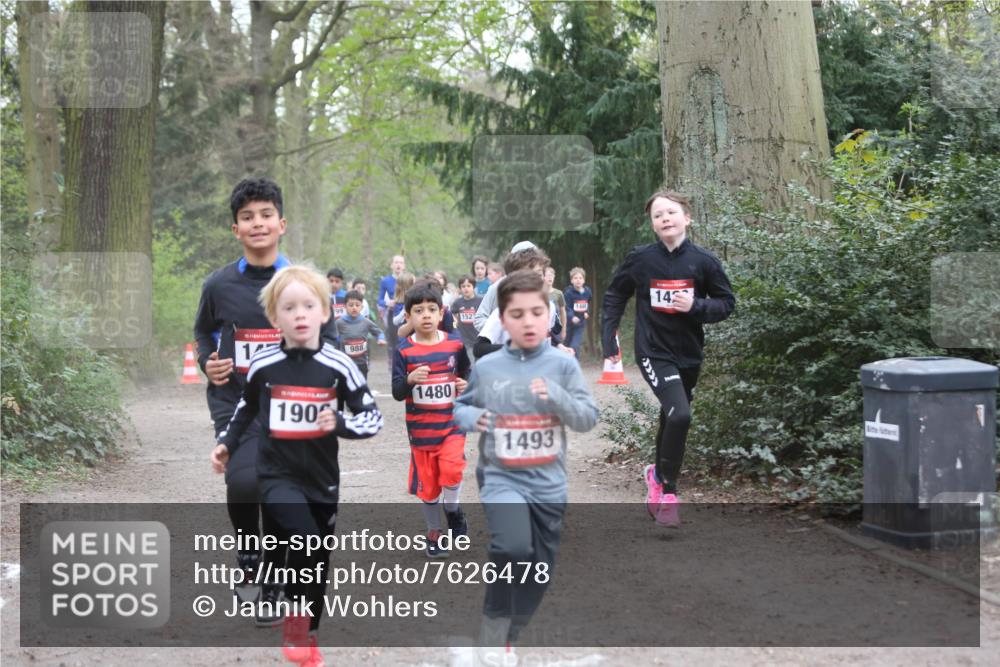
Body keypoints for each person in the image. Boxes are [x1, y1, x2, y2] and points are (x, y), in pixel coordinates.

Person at [211, 265, 383, 667]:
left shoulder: (339, 365)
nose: (300, 314)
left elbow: (372, 417)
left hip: (322, 480)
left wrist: (339, 423)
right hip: (276, 475)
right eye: (290, 307)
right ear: (275, 318)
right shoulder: (263, 366)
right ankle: (293, 618)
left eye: (309, 305)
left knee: (318, 560)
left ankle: (308, 638)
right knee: (303, 538)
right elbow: (245, 408)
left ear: (326, 313)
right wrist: (226, 444)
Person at [194, 177, 338, 626]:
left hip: (291, 406)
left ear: (282, 223)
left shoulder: (305, 283)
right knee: (243, 484)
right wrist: (207, 362)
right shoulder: (219, 285)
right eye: (247, 217)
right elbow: (203, 332)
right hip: (237, 404)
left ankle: (275, 579)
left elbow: (329, 339)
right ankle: (249, 553)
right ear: (236, 228)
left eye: (265, 215)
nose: (257, 224)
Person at [454, 270, 598, 665]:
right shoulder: (488, 367)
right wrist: (472, 419)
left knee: (539, 571)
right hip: (501, 476)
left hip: (548, 483)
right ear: (503, 319)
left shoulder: (563, 366)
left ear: (549, 315)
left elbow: (587, 417)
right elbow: (462, 407)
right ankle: (495, 627)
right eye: (517, 314)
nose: (528, 321)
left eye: (537, 312)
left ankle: (505, 635)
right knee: (513, 546)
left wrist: (557, 397)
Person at [601, 190, 735, 527]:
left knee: (671, 415)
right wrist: (609, 335)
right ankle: (669, 492)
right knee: (681, 415)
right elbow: (616, 293)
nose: (665, 219)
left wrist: (696, 307)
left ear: (686, 218)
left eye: (671, 212)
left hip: (689, 354)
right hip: (653, 350)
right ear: (653, 225)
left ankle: (655, 473)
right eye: (658, 215)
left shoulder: (704, 261)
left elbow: (726, 303)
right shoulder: (641, 259)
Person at [391, 281, 472, 558]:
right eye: (418, 310)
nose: (425, 315)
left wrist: (464, 385)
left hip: (452, 425)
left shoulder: (454, 345)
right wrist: (410, 380)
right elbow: (396, 392)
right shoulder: (404, 351)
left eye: (431, 309)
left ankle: (454, 511)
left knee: (451, 470)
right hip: (421, 431)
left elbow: (466, 373)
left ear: (441, 314)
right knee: (429, 485)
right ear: (408, 316)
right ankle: (434, 533)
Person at [336, 289, 385, 379]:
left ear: (362, 307)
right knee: (346, 388)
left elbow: (379, 332)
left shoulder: (366, 322)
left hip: (362, 363)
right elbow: (332, 336)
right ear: (345, 307)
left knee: (361, 387)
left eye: (357, 305)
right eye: (351, 305)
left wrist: (380, 339)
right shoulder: (340, 322)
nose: (354, 307)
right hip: (346, 363)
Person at [377, 254, 406, 371]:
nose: (398, 265)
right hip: (392, 314)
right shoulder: (385, 281)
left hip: (406, 314)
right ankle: (393, 364)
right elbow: (379, 300)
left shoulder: (408, 280)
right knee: (393, 341)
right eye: (396, 262)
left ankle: (404, 362)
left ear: (404, 266)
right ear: (391, 265)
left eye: (400, 263)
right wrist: (387, 303)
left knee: (404, 339)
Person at [451, 275, 482, 363]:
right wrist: (455, 323)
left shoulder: (480, 301)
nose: (466, 288)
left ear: (473, 287)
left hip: (478, 338)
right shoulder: (458, 302)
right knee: (471, 363)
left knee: (479, 362)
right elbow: (452, 315)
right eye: (463, 286)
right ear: (460, 288)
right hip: (465, 339)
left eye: (468, 286)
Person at [563, 267, 592, 358]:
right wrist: (572, 317)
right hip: (568, 324)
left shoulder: (587, 291)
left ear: (583, 280)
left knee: (575, 345)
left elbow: (587, 302)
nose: (578, 280)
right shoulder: (568, 293)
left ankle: (575, 367)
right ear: (572, 280)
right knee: (565, 346)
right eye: (575, 278)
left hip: (580, 324)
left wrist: (586, 312)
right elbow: (567, 307)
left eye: (580, 278)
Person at [543, 266, 566, 344]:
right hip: (543, 328)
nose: (550, 278)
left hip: (556, 327)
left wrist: (564, 330)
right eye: (548, 275)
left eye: (552, 275)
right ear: (543, 277)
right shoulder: (539, 293)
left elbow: (563, 312)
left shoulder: (559, 293)